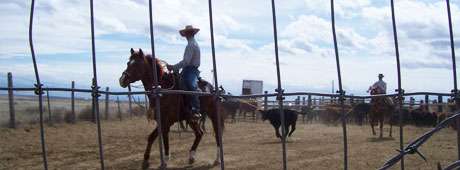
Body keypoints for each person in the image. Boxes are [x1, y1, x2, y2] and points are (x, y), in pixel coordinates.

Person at [167, 25, 201, 119]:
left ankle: (196, 109)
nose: (186, 34)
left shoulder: (191, 45)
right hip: (188, 69)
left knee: (190, 84)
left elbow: (186, 62)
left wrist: (173, 67)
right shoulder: (192, 44)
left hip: (191, 69)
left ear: (190, 34)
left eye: (188, 33)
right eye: (186, 33)